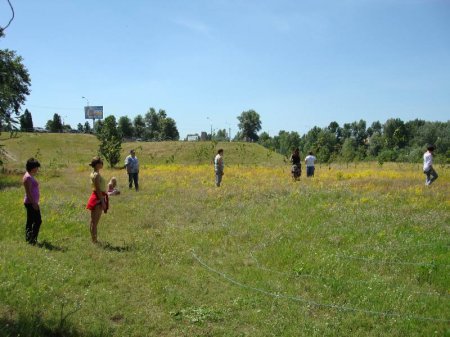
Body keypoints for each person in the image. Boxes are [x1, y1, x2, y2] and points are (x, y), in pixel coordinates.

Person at [86, 157, 108, 244]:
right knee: (94, 222)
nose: (102, 164)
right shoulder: (96, 175)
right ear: (97, 164)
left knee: (93, 221)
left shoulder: (94, 173)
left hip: (96, 196)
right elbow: (98, 189)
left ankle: (94, 240)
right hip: (98, 198)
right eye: (101, 163)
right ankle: (94, 241)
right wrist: (102, 201)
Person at [23, 158, 42, 245]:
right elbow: (28, 192)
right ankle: (32, 239)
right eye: (36, 167)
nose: (37, 169)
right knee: (37, 221)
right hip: (31, 203)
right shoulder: (28, 178)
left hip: (32, 202)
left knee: (31, 220)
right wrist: (34, 203)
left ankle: (30, 238)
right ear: (32, 167)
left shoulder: (30, 175)